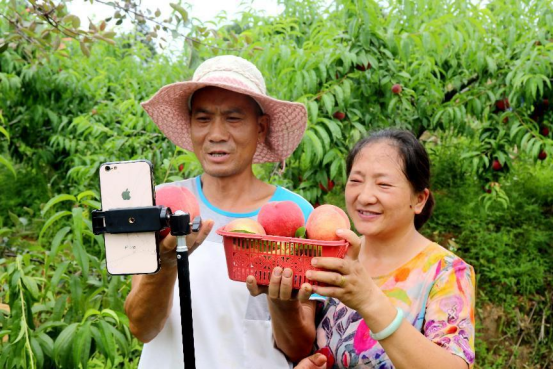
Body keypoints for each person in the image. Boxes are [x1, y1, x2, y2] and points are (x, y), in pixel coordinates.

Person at [125, 55, 314, 368]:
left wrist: (282, 303)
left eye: (233, 118)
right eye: (203, 119)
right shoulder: (162, 206)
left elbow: (299, 348)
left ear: (261, 127)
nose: (216, 134)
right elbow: (142, 327)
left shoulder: (297, 217)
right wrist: (168, 261)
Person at [249, 129, 476, 368]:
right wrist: (281, 302)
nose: (365, 196)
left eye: (384, 184)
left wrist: (368, 300)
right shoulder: (332, 255)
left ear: (419, 199)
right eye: (356, 180)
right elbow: (299, 348)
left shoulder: (446, 272)